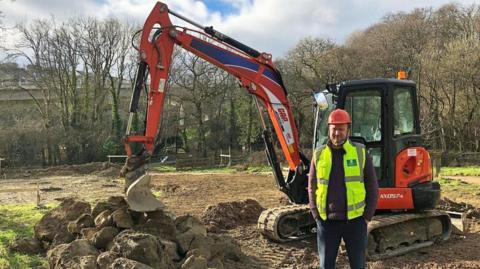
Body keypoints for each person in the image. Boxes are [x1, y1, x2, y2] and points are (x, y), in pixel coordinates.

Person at [308, 109, 379, 269]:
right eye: (334, 128)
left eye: (341, 128)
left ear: (348, 130)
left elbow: (373, 187)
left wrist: (367, 217)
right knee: (326, 265)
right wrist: (315, 214)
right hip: (327, 223)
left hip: (355, 222)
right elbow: (312, 186)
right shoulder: (319, 155)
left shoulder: (360, 153)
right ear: (329, 129)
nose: (337, 133)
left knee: (358, 265)